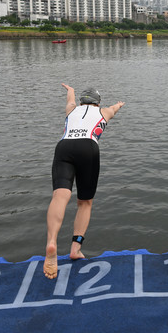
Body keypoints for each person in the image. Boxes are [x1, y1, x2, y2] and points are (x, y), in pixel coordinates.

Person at [43, 84, 125, 279]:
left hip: (64, 147)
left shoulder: (72, 109)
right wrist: (119, 105)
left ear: (82, 102)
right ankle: (75, 248)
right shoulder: (103, 112)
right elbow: (113, 109)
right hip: (88, 147)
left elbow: (70, 98)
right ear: (97, 103)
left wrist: (69, 89)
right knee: (85, 202)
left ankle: (51, 241)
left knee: (60, 196)